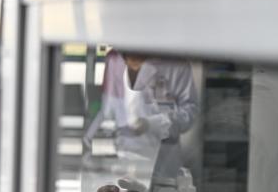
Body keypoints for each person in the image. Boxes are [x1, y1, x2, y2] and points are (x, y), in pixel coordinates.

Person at [84, 50, 199, 184]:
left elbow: (189, 111)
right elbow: (108, 107)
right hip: (120, 156)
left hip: (162, 158)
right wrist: (90, 138)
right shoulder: (114, 59)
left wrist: (152, 124)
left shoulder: (175, 64)